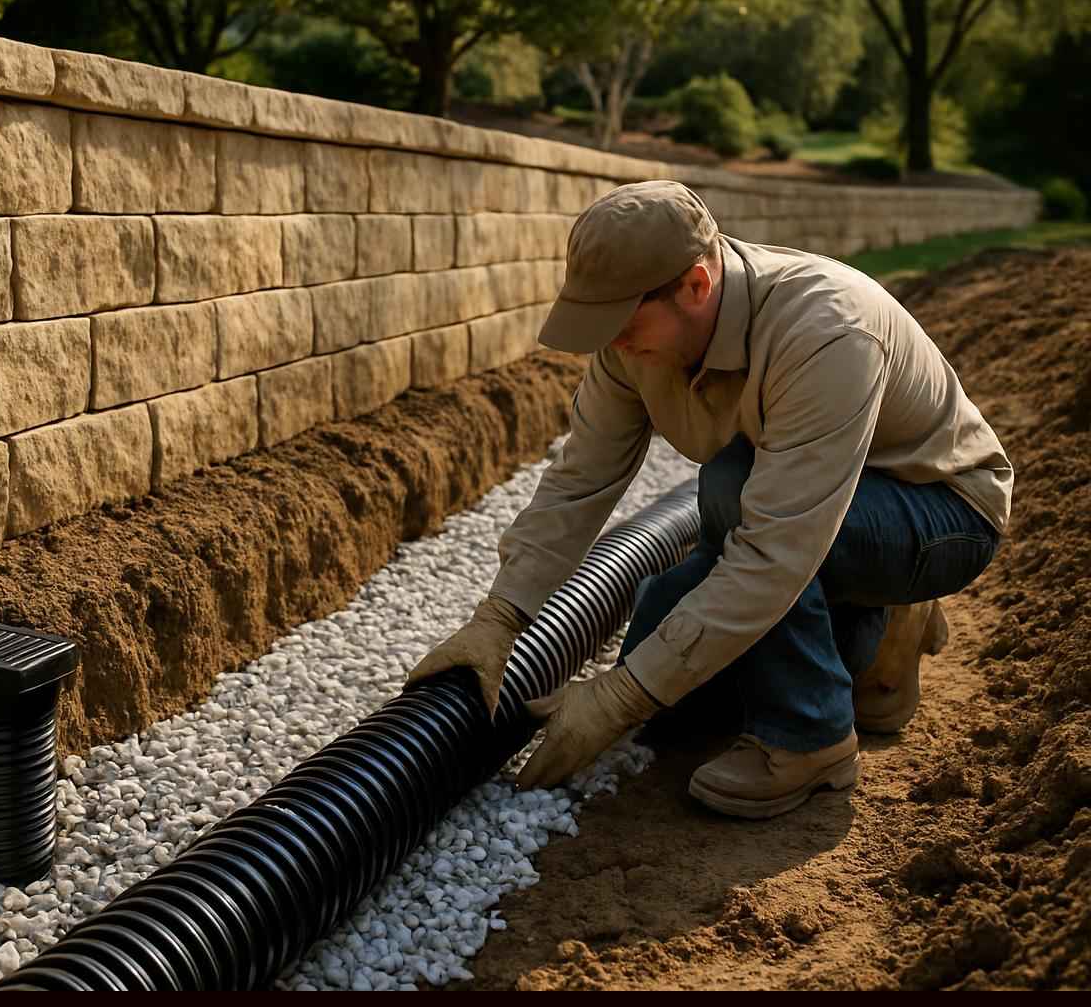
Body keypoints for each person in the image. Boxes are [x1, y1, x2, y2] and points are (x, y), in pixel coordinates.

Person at [406, 180, 1011, 819]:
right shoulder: (632, 346)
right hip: (808, 508)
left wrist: (617, 698)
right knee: (676, 703)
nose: (613, 343)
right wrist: (499, 618)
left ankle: (812, 739)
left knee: (727, 490)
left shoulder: (825, 329)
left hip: (938, 510)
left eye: (622, 322)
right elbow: (580, 479)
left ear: (696, 286)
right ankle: (879, 624)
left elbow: (775, 551)